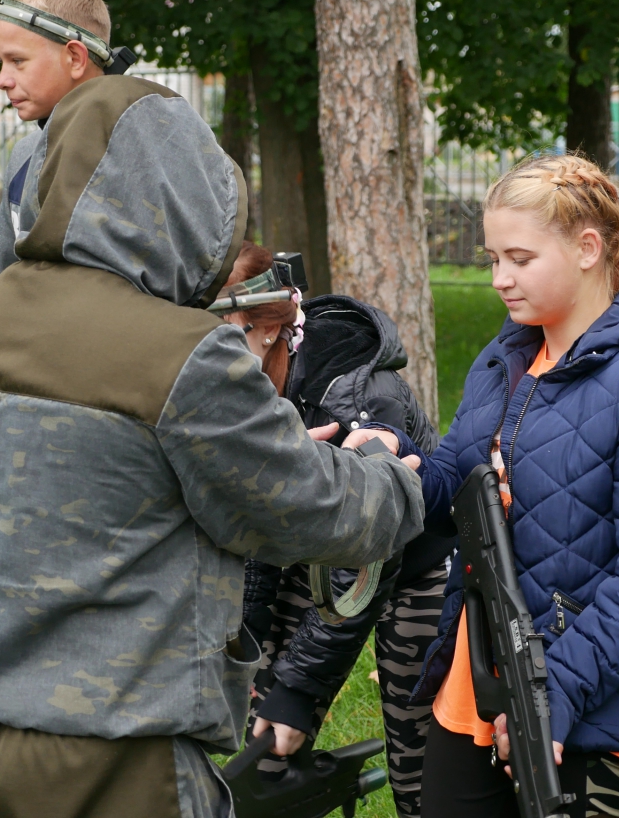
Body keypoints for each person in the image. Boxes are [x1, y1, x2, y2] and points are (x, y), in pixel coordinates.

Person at [0, 75, 427, 818]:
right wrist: (387, 467)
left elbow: (115, 467)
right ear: (181, 194)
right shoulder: (179, 351)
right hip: (118, 747)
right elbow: (315, 513)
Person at [388, 153, 619, 818]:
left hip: (584, 697)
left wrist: (556, 690)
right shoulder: (504, 355)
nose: (501, 279)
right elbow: (456, 473)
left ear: (588, 248)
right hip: (472, 685)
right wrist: (394, 464)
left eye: (520, 258)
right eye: (492, 259)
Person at [219, 241, 452, 818]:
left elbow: (371, 558)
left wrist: (302, 691)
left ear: (266, 329)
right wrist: (250, 641)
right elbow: (259, 521)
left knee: (417, 768)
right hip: (310, 553)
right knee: (259, 746)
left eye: (221, 336)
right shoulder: (242, 389)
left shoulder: (360, 396)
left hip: (408, 560)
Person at [0, 0, 116, 287]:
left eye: (17, 60)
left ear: (76, 59)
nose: (2, 80)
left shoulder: (137, 153)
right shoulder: (25, 154)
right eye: (0, 61)